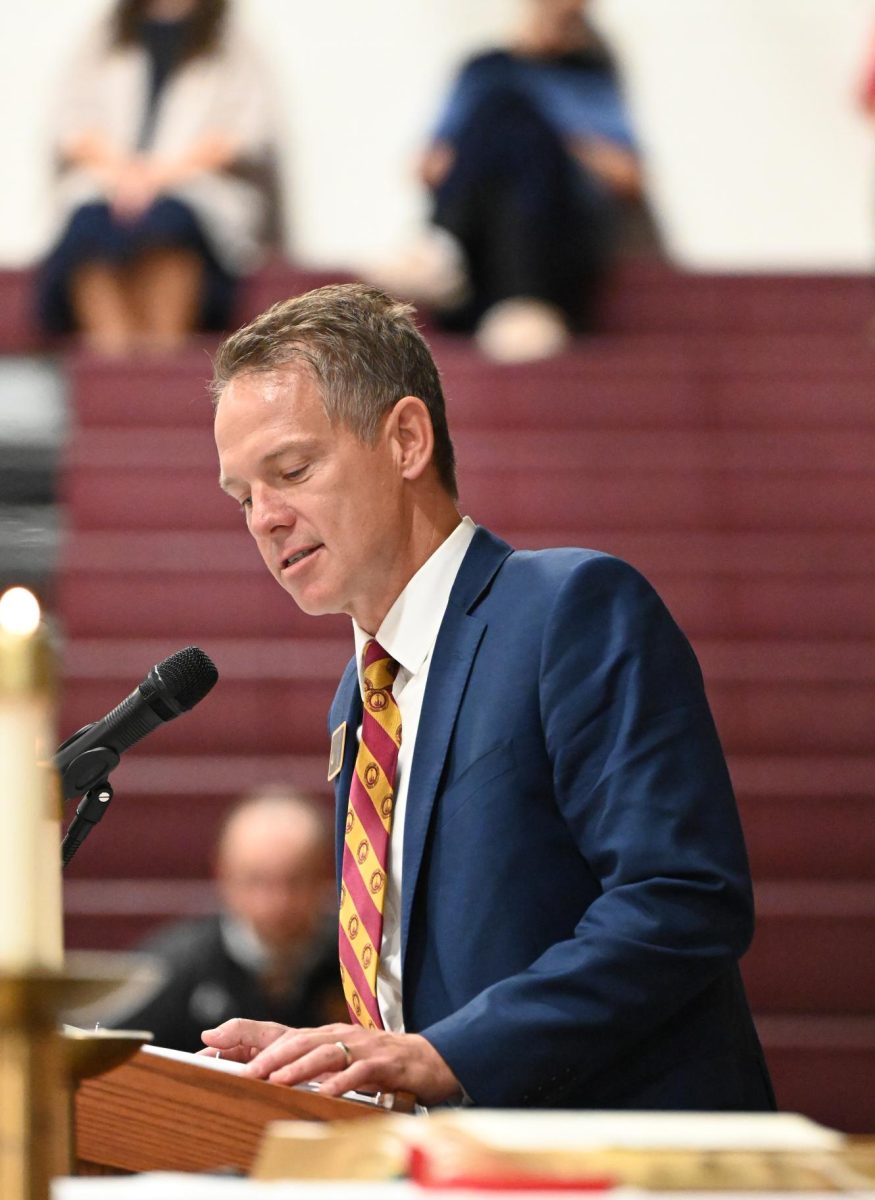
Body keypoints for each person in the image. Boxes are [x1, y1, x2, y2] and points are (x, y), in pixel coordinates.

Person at [205, 283, 775, 1110]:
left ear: (404, 439)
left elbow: (681, 900)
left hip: (622, 1161)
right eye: (243, 496)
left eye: (290, 470)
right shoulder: (359, 699)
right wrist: (343, 1053)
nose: (264, 517)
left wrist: (450, 1054)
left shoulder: (566, 609)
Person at [371, 0, 642, 363]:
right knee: (504, 109)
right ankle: (446, 251)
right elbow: (429, 166)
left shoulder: (589, 76)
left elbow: (629, 176)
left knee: (521, 120)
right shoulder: (483, 69)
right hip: (478, 257)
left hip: (555, 247)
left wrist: (553, 141)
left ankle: (455, 252)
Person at [37, 0, 281, 354]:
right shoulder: (102, 42)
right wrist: (124, 173)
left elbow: (245, 132)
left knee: (170, 225)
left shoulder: (233, 46)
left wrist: (158, 175)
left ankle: (161, 365)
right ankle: (114, 370)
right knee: (90, 229)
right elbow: (72, 125)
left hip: (196, 189)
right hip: (111, 183)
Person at [107, 787, 346, 1051]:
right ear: (223, 874)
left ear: (326, 876)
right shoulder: (168, 970)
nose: (277, 903)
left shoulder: (355, 967)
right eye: (255, 880)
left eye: (296, 880)